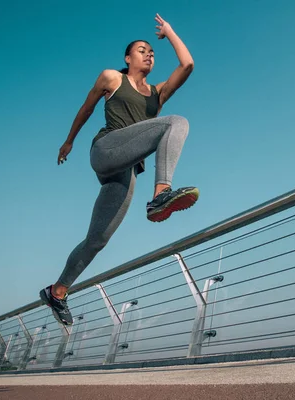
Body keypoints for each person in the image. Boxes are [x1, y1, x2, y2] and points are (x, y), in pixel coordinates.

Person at [39, 14, 198, 326]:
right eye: (142, 49)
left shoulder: (158, 93)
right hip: (106, 151)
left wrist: (171, 32)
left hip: (125, 172)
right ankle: (161, 194)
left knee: (97, 240)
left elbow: (188, 65)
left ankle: (57, 292)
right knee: (177, 122)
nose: (149, 53)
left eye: (152, 51)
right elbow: (86, 108)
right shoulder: (112, 77)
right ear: (128, 58)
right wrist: (68, 142)